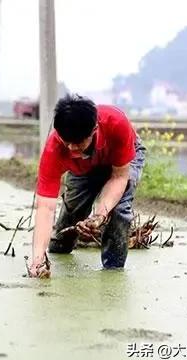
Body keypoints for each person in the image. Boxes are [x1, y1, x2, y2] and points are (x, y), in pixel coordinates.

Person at [29, 94, 146, 277]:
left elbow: (118, 178)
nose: (72, 149)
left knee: (118, 210)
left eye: (78, 143)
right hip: (82, 169)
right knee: (71, 217)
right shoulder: (56, 149)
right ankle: (57, 249)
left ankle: (113, 271)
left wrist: (100, 214)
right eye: (66, 142)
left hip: (120, 160)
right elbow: (45, 207)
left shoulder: (117, 123)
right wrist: (37, 260)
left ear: (94, 130)